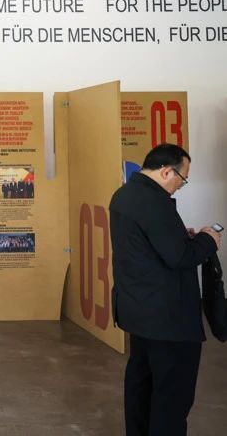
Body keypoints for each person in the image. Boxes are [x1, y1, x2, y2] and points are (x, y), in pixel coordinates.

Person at [109, 143, 221, 436]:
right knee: (171, 396)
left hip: (138, 311)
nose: (181, 185)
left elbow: (147, 246)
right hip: (168, 319)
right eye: (182, 178)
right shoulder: (155, 202)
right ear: (166, 171)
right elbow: (180, 257)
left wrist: (181, 237)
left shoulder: (124, 195)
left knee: (141, 386)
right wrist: (208, 240)